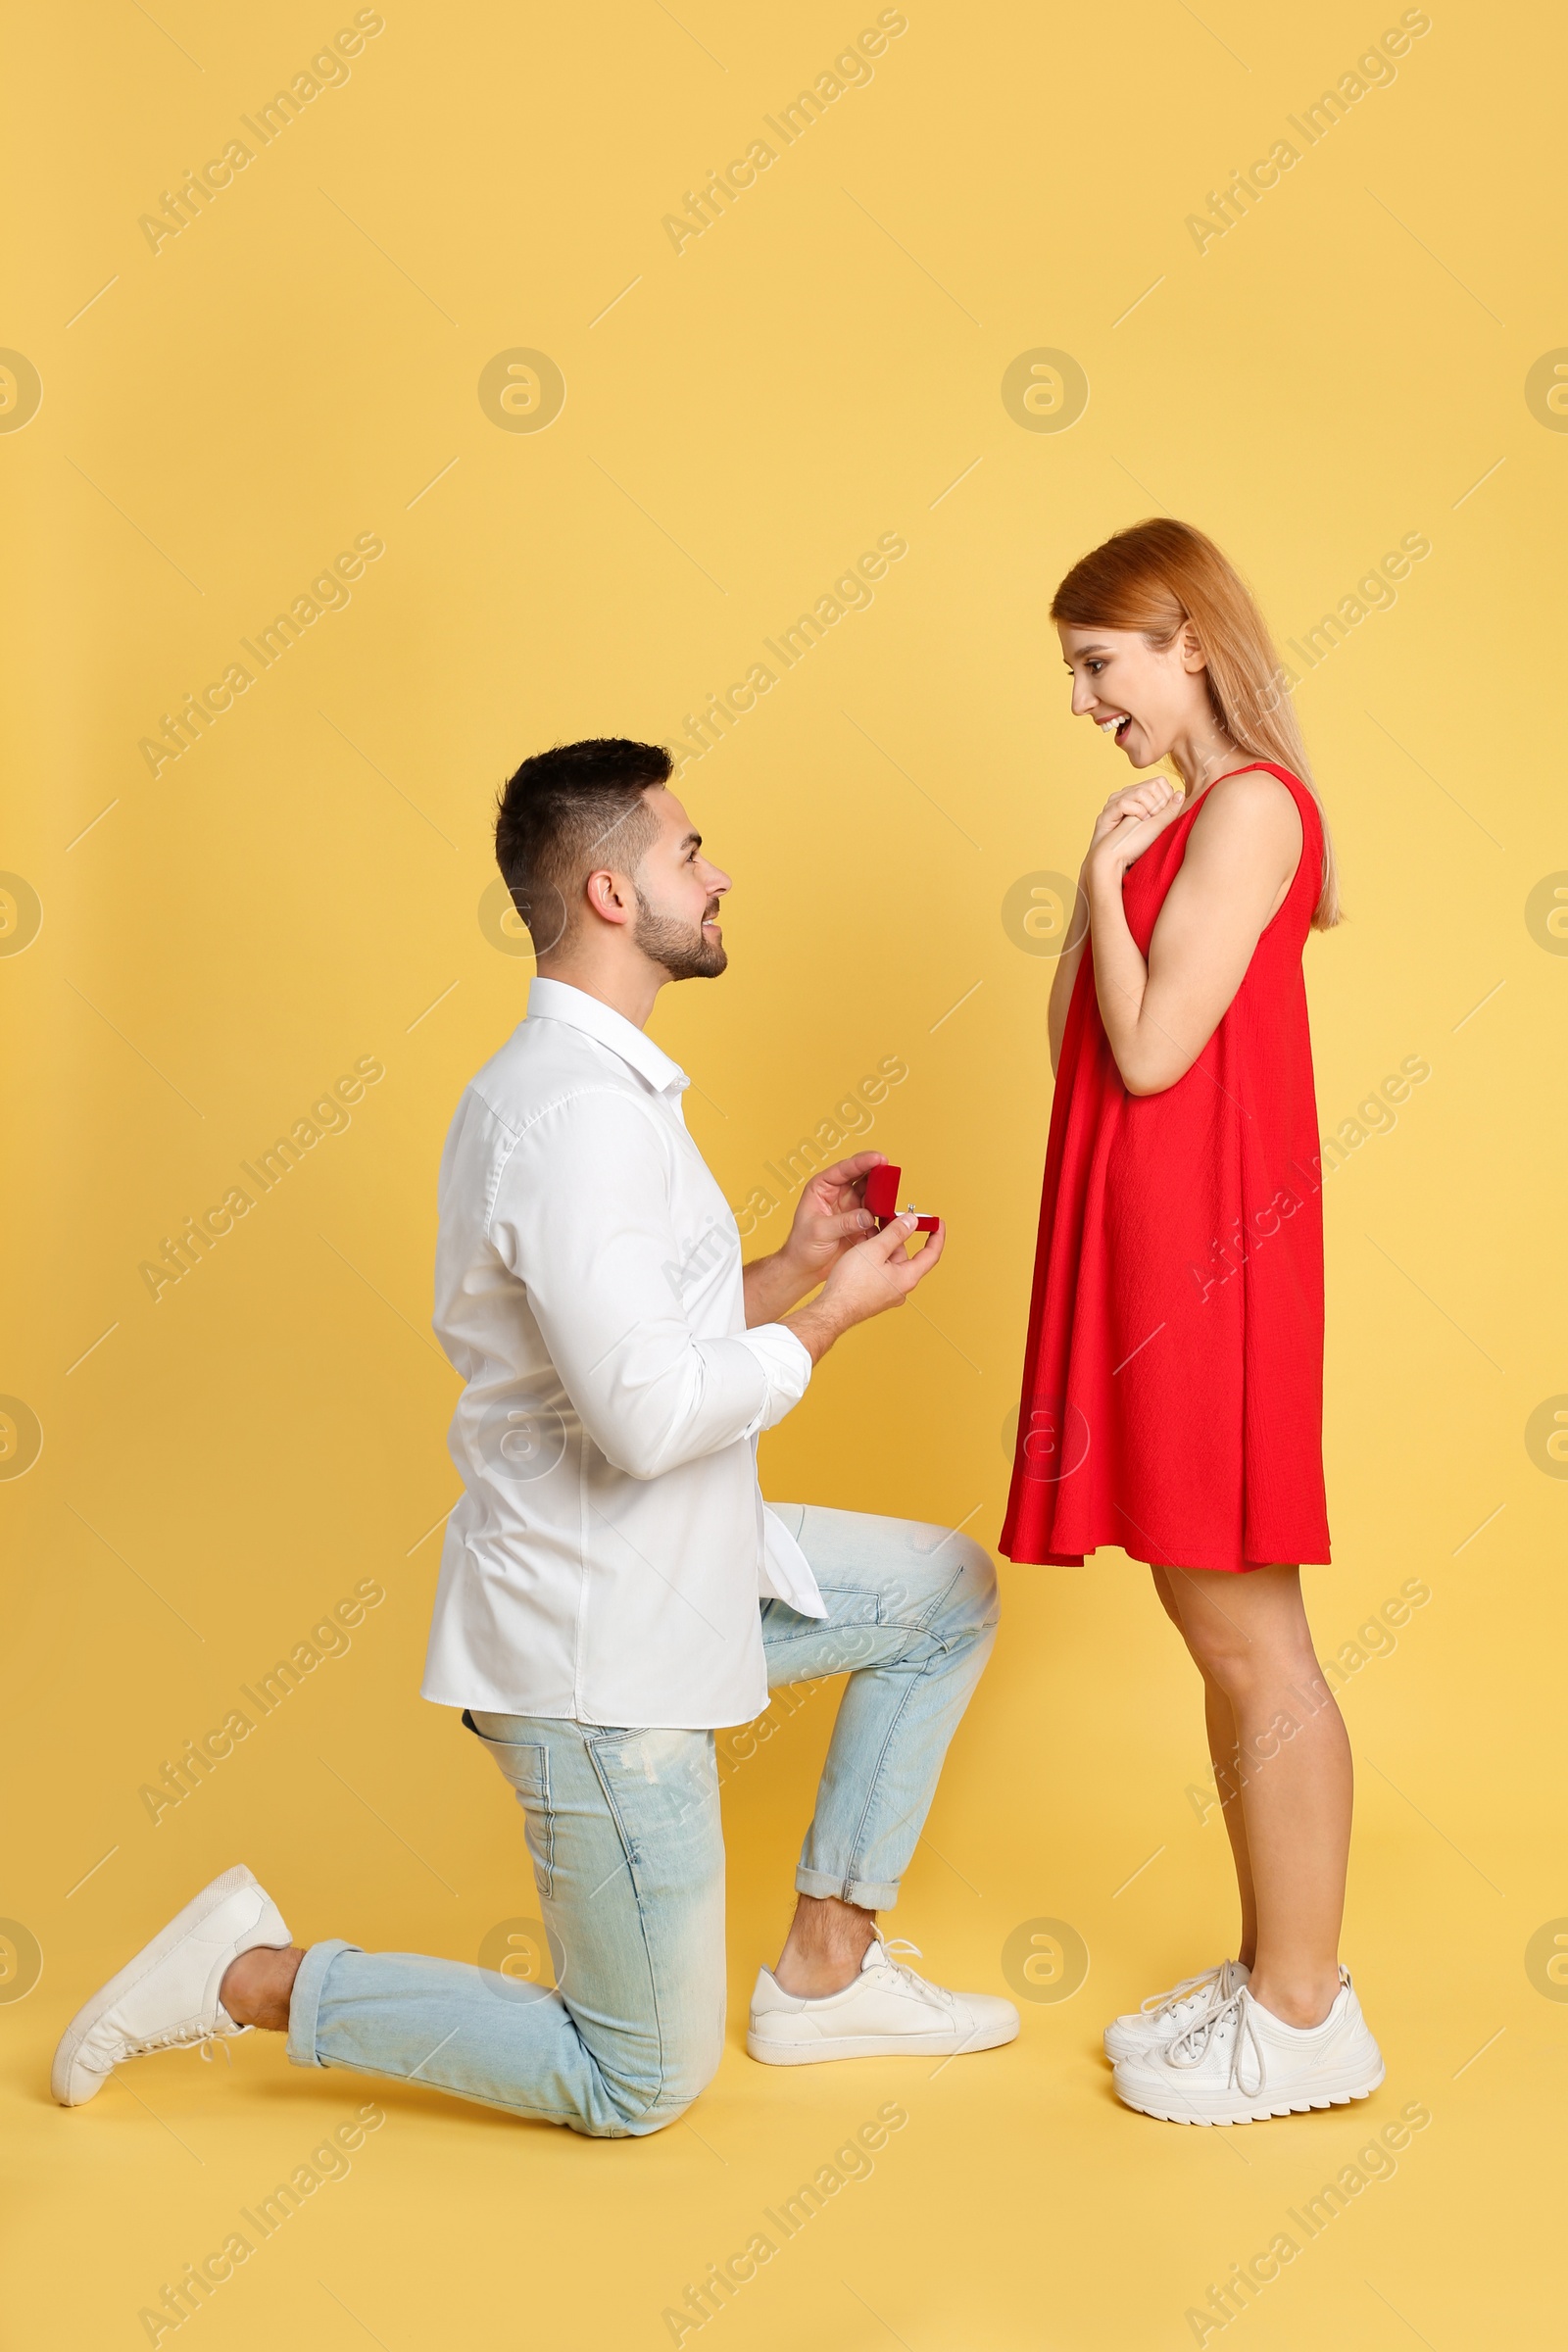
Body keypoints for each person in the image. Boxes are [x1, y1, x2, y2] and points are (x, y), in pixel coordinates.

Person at [53, 737, 1016, 2134]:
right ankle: (253, 1973)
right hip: (599, 1655)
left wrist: (795, 1267)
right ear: (615, 894)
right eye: (692, 852)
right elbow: (640, 1419)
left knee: (942, 1594)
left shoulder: (605, 1094)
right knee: (639, 2082)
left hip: (679, 1571)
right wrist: (830, 1326)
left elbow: (632, 1348)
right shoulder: (571, 1116)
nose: (720, 870)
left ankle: (828, 1972)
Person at [1001, 519, 1384, 2126]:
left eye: (1101, 664)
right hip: (1147, 1251)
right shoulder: (1187, 820)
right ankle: (1273, 1975)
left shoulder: (1247, 813)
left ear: (1189, 645)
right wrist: (1104, 881)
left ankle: (1304, 2014)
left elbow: (1149, 1053)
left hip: (1204, 1272)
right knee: (1215, 1631)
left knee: (1250, 1637)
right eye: (1078, 670)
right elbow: (1070, 1040)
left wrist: (1097, 876)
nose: (1085, 698)